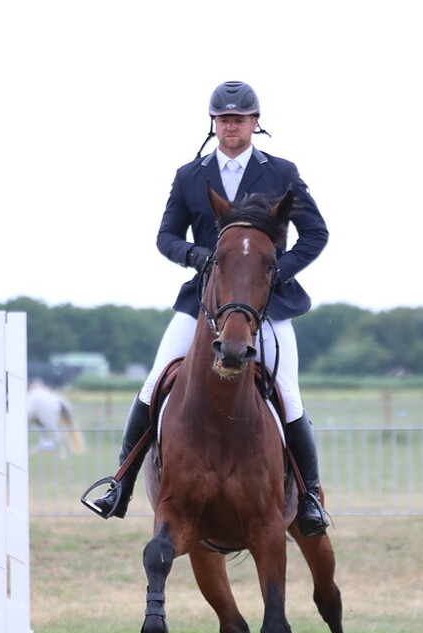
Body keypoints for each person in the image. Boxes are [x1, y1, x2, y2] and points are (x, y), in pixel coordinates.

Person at [83, 80, 330, 536]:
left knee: (288, 395)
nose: (231, 126)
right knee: (153, 382)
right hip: (204, 303)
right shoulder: (189, 176)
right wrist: (198, 257)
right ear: (214, 124)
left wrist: (277, 271)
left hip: (267, 308)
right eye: (223, 119)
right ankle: (120, 484)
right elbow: (166, 237)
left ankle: (311, 496)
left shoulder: (283, 172)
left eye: (240, 119)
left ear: (256, 123)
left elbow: (316, 234)